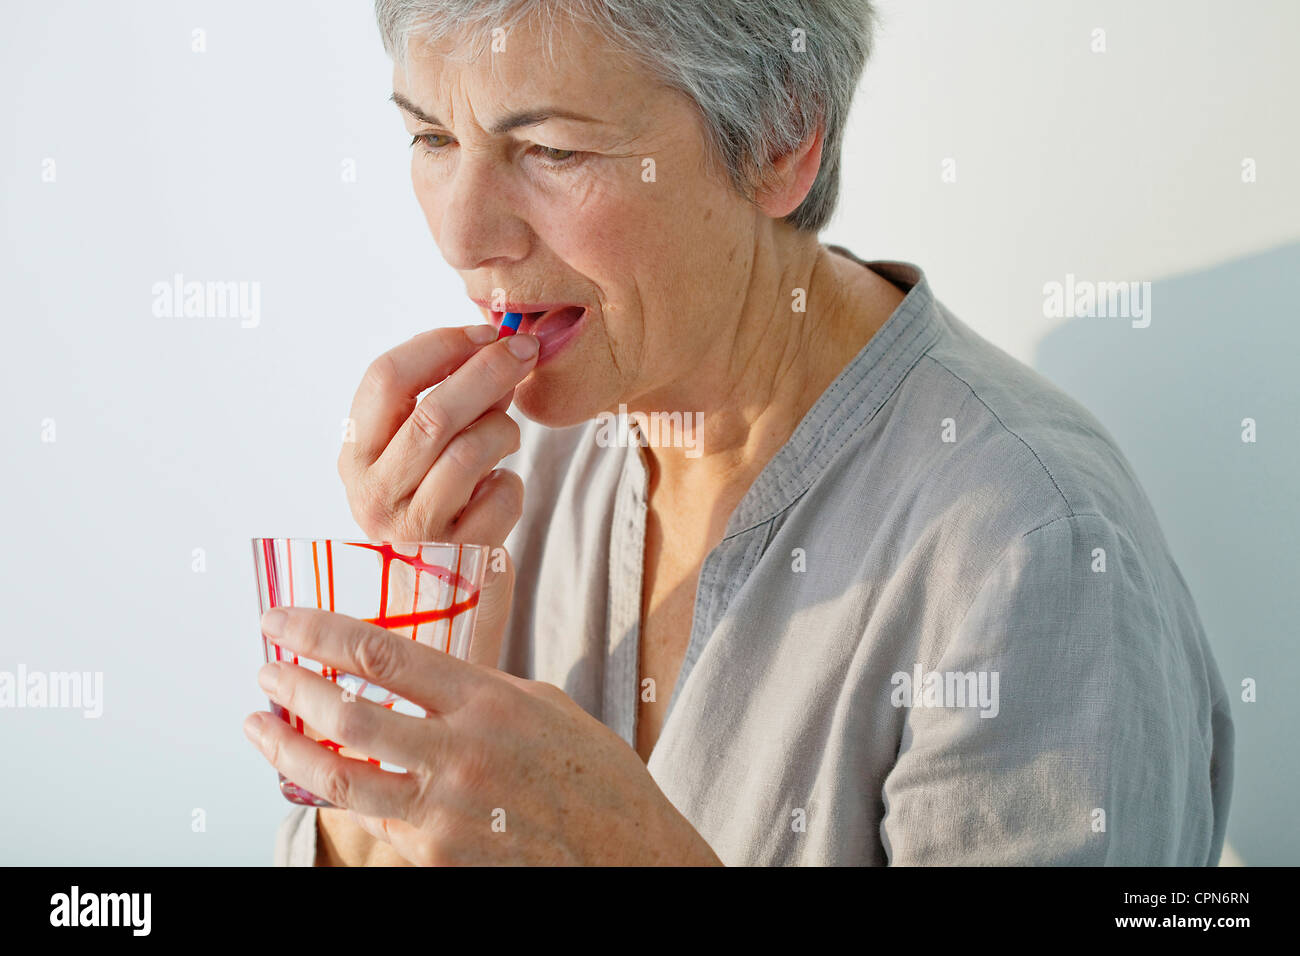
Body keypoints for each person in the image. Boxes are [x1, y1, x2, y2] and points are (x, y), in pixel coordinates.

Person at [247, 0, 1234, 866]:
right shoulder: (511, 470)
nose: (462, 235)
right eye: (431, 139)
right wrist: (410, 628)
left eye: (549, 149)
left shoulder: (1034, 546)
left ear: (777, 139)